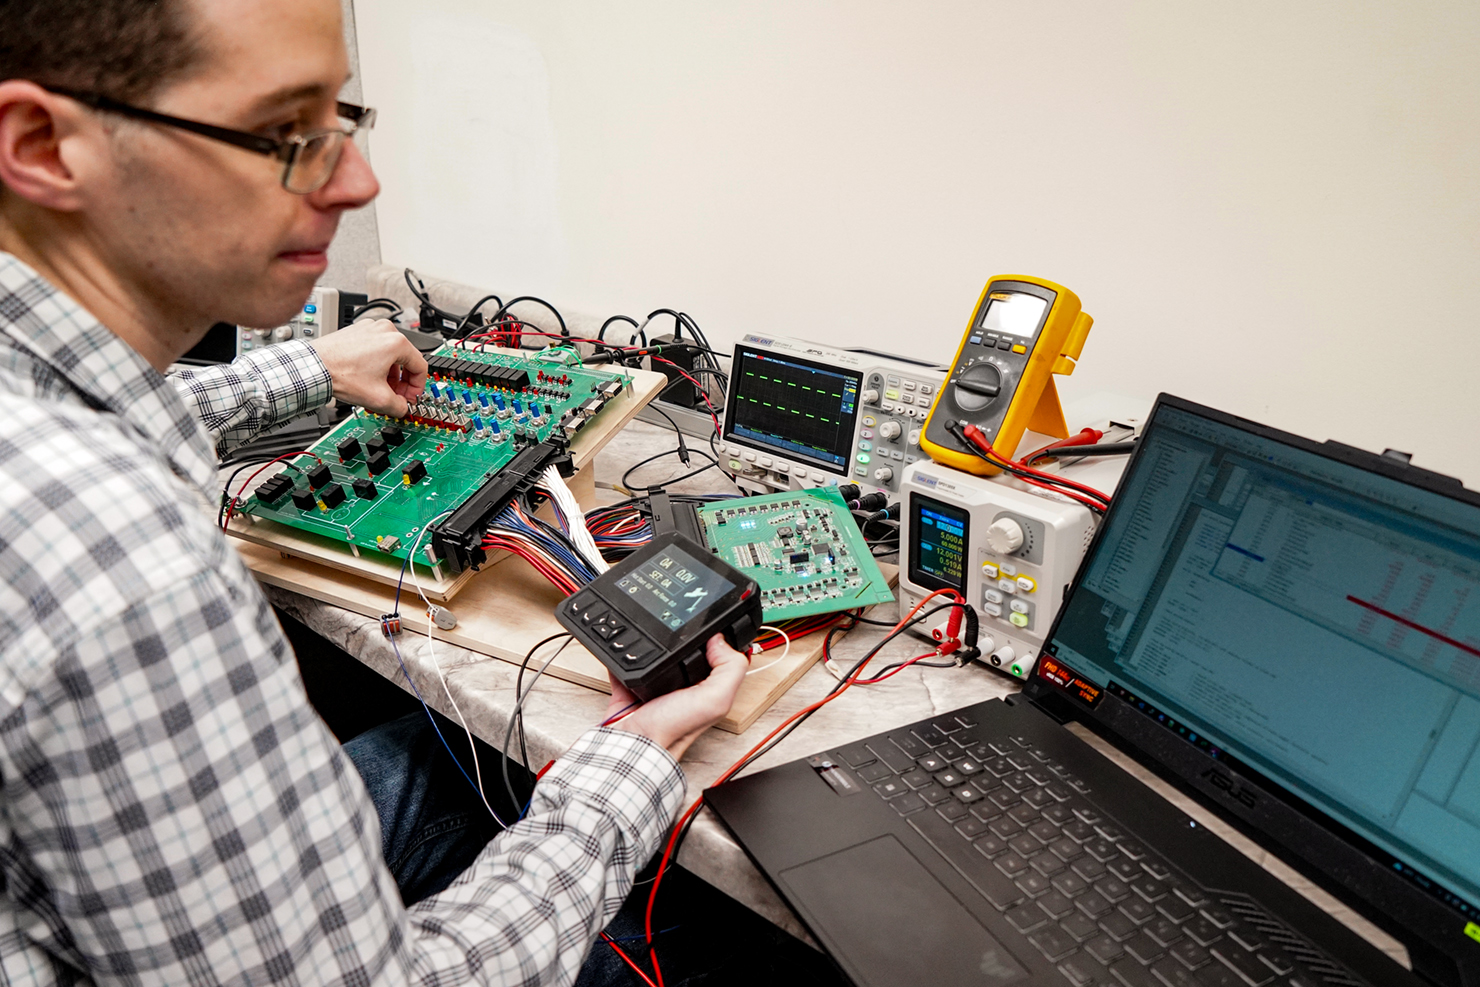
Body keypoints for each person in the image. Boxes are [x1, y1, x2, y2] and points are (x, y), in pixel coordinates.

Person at [0, 0, 749, 983]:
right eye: (287, 132)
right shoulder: (124, 559)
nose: (358, 180)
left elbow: (134, 402)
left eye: (340, 120)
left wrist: (314, 370)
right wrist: (629, 753)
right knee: (704, 919)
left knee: (440, 757)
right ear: (46, 145)